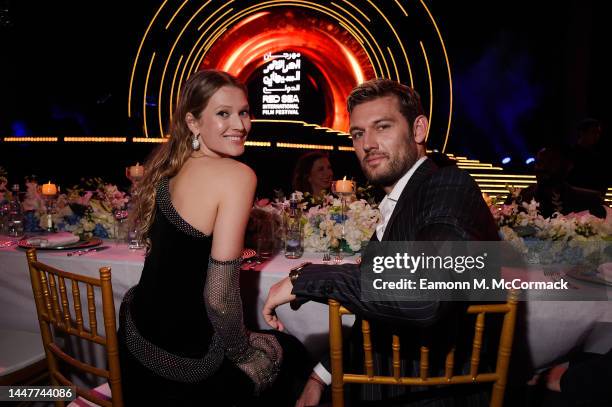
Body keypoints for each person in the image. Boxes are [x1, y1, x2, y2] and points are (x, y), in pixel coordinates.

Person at [263, 78, 500, 406]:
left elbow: (426, 292)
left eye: (382, 127)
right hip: (386, 379)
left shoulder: (448, 185)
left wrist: (306, 279)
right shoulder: (401, 201)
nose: (367, 143)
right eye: (358, 133)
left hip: (428, 392)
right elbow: (374, 310)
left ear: (418, 130)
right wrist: (321, 376)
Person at [118, 70, 310, 406]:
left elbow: (180, 254)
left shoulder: (170, 167)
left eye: (244, 112)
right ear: (193, 123)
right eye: (223, 113)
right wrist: (243, 354)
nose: (240, 125)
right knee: (295, 356)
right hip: (185, 367)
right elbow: (219, 299)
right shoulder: (237, 176)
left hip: (136, 344)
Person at [513, 145, 605, 218]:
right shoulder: (518, 198)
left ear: (567, 167)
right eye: (539, 163)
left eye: (549, 162)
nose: (542, 168)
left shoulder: (589, 200)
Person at [566, 118, 608, 196]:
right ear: (582, 133)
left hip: (595, 199)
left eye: (598, 133)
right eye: (593, 132)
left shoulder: (597, 156)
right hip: (576, 199)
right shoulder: (570, 155)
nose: (597, 136)